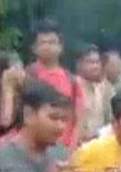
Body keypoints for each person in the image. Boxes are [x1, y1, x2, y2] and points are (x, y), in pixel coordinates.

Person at [26, 19, 83, 147]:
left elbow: (79, 119)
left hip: (63, 149)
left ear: (60, 47)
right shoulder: (26, 77)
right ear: (34, 48)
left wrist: (70, 149)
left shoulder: (72, 81)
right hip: (32, 149)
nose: (47, 46)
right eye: (43, 43)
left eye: (52, 42)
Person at [75, 44, 114, 141]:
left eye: (97, 62)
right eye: (90, 62)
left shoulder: (104, 88)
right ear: (79, 64)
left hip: (100, 145)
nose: (95, 66)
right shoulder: (72, 87)